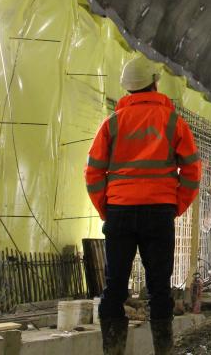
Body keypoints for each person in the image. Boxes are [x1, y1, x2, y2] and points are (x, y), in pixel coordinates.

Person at [85, 57, 201, 355]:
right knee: (160, 288)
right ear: (154, 83)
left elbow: (93, 172)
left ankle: (113, 351)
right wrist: (176, 205)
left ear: (128, 88)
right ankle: (163, 350)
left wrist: (106, 209)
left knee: (114, 290)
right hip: (159, 212)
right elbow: (191, 170)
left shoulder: (112, 123)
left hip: (120, 212)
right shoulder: (173, 122)